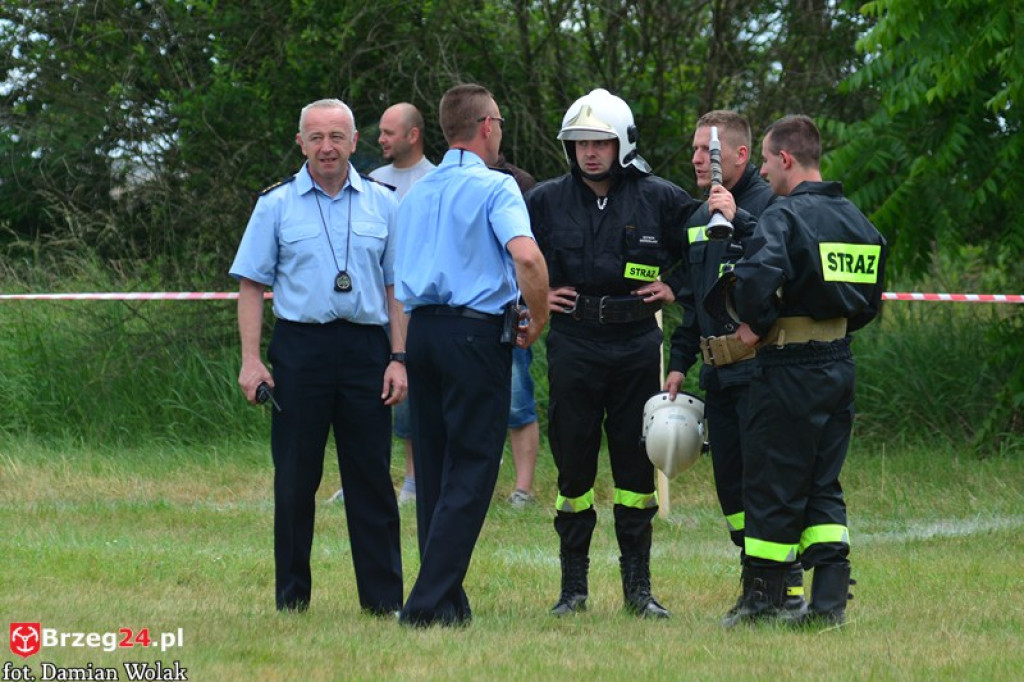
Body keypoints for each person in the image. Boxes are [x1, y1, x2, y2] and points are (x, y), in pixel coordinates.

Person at [526, 88, 734, 619]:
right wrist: (535, 296)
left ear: (622, 143)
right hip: (573, 345)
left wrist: (674, 283)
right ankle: (573, 591)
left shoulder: (659, 197)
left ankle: (638, 591)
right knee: (573, 471)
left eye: (600, 142)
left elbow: (708, 246)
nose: (590, 153)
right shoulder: (544, 200)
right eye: (580, 144)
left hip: (636, 347)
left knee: (635, 474)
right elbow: (509, 256)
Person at [230, 98, 406, 614]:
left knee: (371, 477)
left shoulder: (383, 202)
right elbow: (250, 285)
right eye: (316, 137)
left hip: (367, 350)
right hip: (300, 350)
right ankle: (292, 600)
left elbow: (397, 287)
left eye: (336, 136)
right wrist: (250, 360)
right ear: (301, 143)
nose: (326, 147)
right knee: (295, 478)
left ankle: (383, 601)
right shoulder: (275, 205)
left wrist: (399, 357)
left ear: (355, 142)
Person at [721, 114, 887, 627]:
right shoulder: (859, 221)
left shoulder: (783, 215)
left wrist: (755, 322)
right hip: (838, 364)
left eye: (767, 161)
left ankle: (763, 601)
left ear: (785, 159)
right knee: (822, 481)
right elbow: (868, 303)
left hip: (788, 366)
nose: (765, 173)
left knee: (772, 481)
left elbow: (753, 284)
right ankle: (829, 603)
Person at [394, 83, 549, 627]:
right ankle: (424, 603)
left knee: (433, 469)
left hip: (423, 333)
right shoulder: (496, 189)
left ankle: (449, 604)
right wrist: (542, 313)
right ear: (487, 125)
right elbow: (526, 258)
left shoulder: (414, 194)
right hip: (474, 334)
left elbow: (397, 278)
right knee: (475, 468)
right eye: (500, 122)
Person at [663, 111, 807, 615]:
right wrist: (680, 361)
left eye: (708, 150)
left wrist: (739, 219)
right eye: (696, 150)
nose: (698, 159)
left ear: (740, 156)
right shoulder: (700, 220)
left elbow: (781, 282)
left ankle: (784, 589)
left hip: (763, 370)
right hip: (717, 373)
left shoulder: (774, 209)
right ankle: (755, 586)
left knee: (766, 483)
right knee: (732, 490)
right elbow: (697, 301)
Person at [327, 102, 434, 506]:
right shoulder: (372, 179)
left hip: (417, 307)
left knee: (408, 398)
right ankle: (357, 477)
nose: (381, 139)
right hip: (374, 310)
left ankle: (413, 480)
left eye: (389, 132)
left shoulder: (434, 181)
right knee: (358, 401)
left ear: (413, 135)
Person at [493, 154, 541, 508]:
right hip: (461, 313)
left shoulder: (519, 183)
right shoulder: (452, 180)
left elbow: (532, 251)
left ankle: (522, 489)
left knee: (517, 400)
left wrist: (536, 310)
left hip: (512, 310)